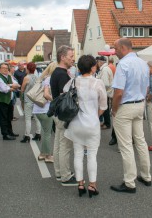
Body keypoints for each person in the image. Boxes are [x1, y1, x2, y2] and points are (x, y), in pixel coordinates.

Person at [110, 38, 151, 193]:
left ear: (123, 48)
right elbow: (146, 89)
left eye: (115, 49)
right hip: (140, 104)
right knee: (140, 141)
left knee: (126, 145)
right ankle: (146, 176)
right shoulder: (143, 63)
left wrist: (114, 110)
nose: (114, 52)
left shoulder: (123, 65)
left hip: (125, 107)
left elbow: (118, 92)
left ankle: (129, 182)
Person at [64, 55, 107, 197]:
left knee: (78, 154)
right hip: (92, 124)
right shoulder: (98, 83)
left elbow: (64, 95)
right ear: (93, 67)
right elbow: (103, 106)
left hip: (76, 123)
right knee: (92, 155)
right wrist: (96, 116)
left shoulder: (73, 81)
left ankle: (80, 184)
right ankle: (92, 185)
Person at [50, 45, 77, 186]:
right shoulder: (62, 74)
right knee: (65, 145)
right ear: (62, 57)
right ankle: (66, 176)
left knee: (58, 144)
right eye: (71, 56)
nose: (73, 59)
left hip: (57, 113)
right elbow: (65, 97)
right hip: (63, 114)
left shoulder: (57, 72)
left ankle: (59, 172)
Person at [32, 62, 57, 163]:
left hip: (38, 109)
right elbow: (46, 95)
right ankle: (48, 156)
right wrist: (55, 101)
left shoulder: (43, 78)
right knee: (47, 133)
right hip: (45, 110)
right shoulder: (49, 79)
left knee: (46, 131)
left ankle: (42, 154)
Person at [0, 63, 20, 140]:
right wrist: (12, 87)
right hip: (1, 101)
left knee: (9, 117)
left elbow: (16, 84)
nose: (5, 69)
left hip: (9, 100)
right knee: (3, 118)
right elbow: (4, 89)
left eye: (6, 68)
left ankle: (10, 132)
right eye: (3, 68)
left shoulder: (8, 76)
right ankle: (5, 134)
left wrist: (9, 85)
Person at [20, 62, 41, 143]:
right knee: (37, 118)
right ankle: (38, 133)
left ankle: (27, 135)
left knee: (28, 118)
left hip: (28, 100)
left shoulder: (26, 78)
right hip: (35, 100)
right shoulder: (36, 77)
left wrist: (22, 98)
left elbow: (22, 89)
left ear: (28, 69)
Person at [97, 56, 113, 129]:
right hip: (105, 91)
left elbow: (105, 83)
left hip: (105, 92)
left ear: (100, 62)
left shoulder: (105, 70)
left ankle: (107, 124)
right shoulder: (104, 69)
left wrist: (100, 90)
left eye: (98, 62)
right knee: (105, 108)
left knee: (105, 108)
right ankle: (106, 122)